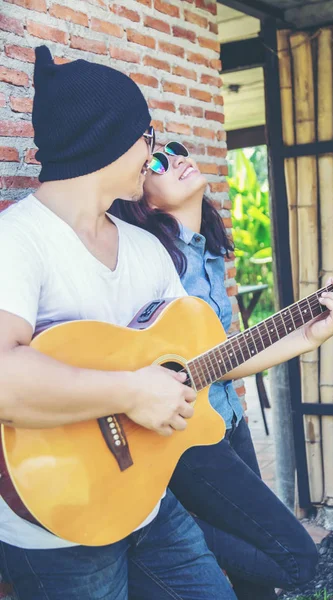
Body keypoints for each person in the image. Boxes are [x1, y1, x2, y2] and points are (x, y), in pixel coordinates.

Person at [0, 47, 239, 600]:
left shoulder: (143, 247)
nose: (151, 153)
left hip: (147, 503)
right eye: (146, 138)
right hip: (57, 527)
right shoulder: (17, 242)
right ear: (107, 141)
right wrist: (131, 391)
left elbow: (201, 350)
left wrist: (304, 331)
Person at [111, 140, 333, 600]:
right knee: (295, 559)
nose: (179, 159)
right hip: (187, 440)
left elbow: (222, 357)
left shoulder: (205, 252)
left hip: (228, 420)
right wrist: (308, 337)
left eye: (178, 149)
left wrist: (312, 329)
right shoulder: (149, 261)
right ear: (139, 196)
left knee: (255, 580)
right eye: (158, 162)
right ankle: (153, 530)